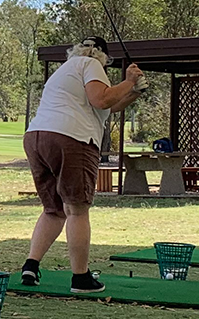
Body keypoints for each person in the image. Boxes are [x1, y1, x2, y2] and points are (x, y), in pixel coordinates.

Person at [17, 36, 143, 293]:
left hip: (37, 137)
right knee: (77, 209)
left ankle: (31, 265)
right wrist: (128, 80)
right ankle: (81, 277)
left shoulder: (65, 71)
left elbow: (109, 105)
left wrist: (134, 92)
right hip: (72, 138)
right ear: (104, 57)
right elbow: (102, 99)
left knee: (54, 209)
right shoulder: (91, 64)